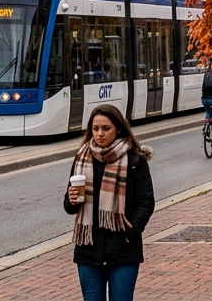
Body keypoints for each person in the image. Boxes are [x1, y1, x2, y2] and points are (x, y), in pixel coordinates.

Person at [63, 105, 155, 301]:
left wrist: (130, 231)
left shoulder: (134, 159)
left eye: (106, 128)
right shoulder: (82, 157)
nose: (99, 134)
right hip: (88, 248)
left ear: (119, 128)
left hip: (123, 249)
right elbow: (69, 206)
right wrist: (71, 200)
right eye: (95, 129)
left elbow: (146, 202)